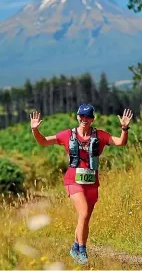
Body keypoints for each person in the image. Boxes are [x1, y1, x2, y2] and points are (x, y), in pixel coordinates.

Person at [30, 103, 133, 265]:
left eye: (88, 116)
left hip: (92, 181)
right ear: (77, 117)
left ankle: (75, 247)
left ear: (92, 119)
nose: (84, 119)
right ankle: (82, 251)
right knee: (84, 213)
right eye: (82, 116)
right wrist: (35, 130)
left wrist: (124, 128)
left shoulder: (100, 135)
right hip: (73, 180)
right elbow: (43, 141)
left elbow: (120, 142)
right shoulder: (67, 135)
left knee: (84, 218)